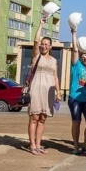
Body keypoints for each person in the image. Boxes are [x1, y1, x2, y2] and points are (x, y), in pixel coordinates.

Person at [27, 18, 61, 155]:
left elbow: (55, 77)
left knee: (43, 118)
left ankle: (39, 144)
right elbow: (35, 40)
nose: (44, 46)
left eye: (47, 44)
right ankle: (32, 145)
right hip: (36, 89)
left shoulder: (54, 61)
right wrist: (41, 24)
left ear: (51, 46)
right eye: (43, 44)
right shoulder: (36, 56)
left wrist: (58, 92)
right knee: (34, 117)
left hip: (49, 92)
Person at [68, 28, 86, 155]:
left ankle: (85, 144)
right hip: (75, 98)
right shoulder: (76, 64)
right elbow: (75, 50)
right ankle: (76, 146)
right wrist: (74, 33)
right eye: (84, 56)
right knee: (76, 123)